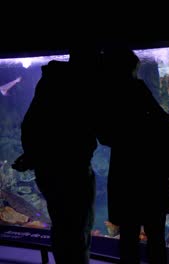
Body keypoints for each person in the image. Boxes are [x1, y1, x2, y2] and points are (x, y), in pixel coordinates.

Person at [97, 46, 169, 264]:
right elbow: (161, 118)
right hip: (149, 169)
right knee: (155, 234)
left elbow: (103, 136)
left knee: (128, 236)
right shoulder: (135, 88)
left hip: (123, 171)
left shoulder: (105, 95)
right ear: (131, 68)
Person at [12, 44, 102, 264]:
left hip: (48, 169)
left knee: (62, 225)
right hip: (73, 168)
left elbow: (31, 123)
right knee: (78, 226)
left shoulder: (50, 82)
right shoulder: (81, 86)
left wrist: (32, 155)